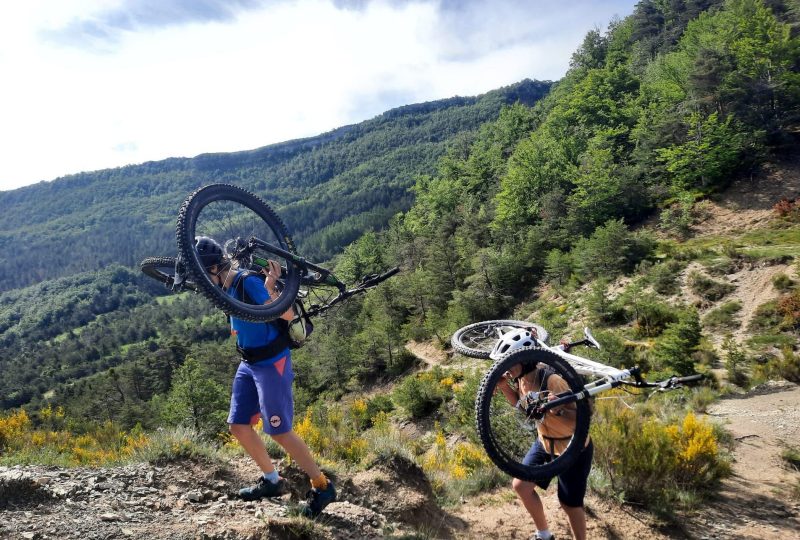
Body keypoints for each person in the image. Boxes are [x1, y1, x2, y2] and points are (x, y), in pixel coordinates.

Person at [195, 236, 336, 517]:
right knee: (238, 424)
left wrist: (269, 291)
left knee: (279, 431)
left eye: (200, 274)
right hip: (249, 362)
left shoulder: (246, 282)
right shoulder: (226, 285)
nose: (200, 282)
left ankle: (322, 486)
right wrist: (270, 285)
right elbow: (257, 309)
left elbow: (284, 312)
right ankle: (272, 481)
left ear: (212, 269)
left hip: (272, 363)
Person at [495, 340, 593, 540]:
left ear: (526, 360)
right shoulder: (521, 379)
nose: (506, 366)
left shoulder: (553, 381)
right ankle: (544, 535)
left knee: (570, 504)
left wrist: (560, 409)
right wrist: (505, 387)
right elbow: (522, 406)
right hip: (545, 442)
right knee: (521, 486)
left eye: (510, 362)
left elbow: (584, 415)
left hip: (572, 447)